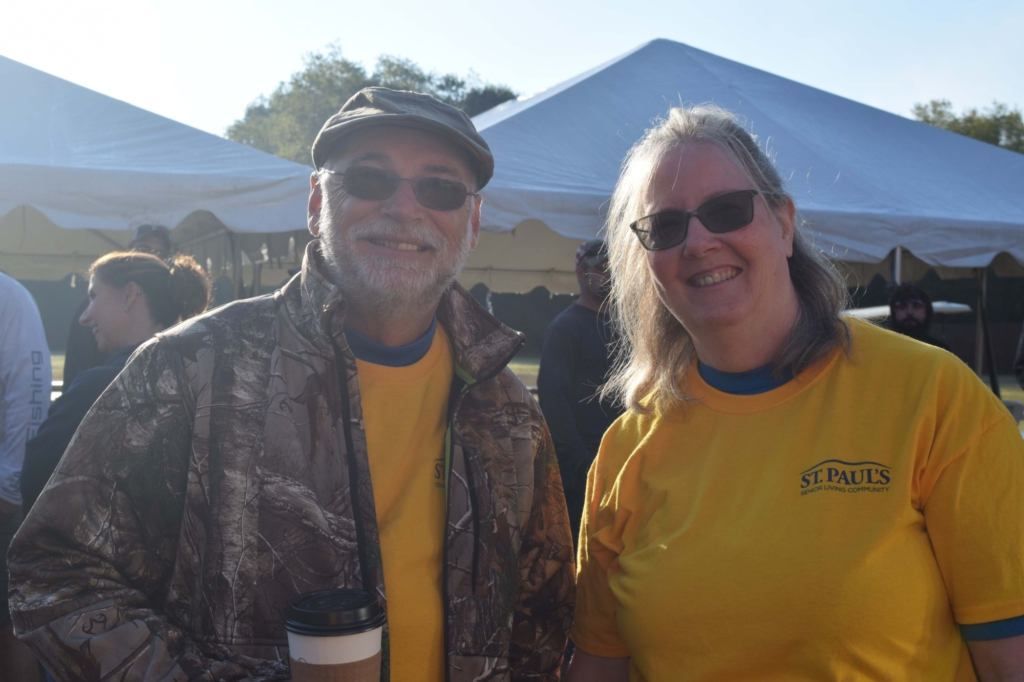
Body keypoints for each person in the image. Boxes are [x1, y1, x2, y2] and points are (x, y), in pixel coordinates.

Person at [10, 88, 573, 681]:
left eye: (440, 188)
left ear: (473, 221)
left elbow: (542, 617)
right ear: (317, 201)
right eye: (370, 178)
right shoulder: (192, 367)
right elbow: (53, 570)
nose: (405, 207)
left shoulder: (507, 409)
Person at [566, 105, 1024, 681]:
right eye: (665, 227)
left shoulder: (932, 395)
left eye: (727, 210)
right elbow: (599, 665)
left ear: (784, 224)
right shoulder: (625, 450)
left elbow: (1010, 659)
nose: (699, 242)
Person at [20, 252, 209, 513]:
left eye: (93, 296)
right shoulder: (202, 381)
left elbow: (36, 479)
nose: (84, 317)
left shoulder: (101, 387)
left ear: (129, 295)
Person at [538, 239, 622, 544]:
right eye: (600, 268)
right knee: (583, 547)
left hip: (622, 461)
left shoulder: (626, 324)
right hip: (582, 471)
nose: (608, 274)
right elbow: (552, 400)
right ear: (580, 271)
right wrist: (581, 460)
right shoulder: (565, 329)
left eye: (614, 268)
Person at [0, 271, 50, 682]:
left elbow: (28, 390)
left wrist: (8, 487)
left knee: (9, 627)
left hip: (0, 502)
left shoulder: (8, 297)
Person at [62, 225, 173, 386]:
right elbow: (75, 372)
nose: (152, 256)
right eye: (143, 249)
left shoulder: (175, 308)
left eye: (161, 253)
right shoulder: (92, 310)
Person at [888, 283, 950, 350]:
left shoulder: (940, 350)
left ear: (927, 311)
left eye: (917, 306)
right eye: (902, 307)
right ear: (894, 311)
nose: (909, 312)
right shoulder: (882, 347)